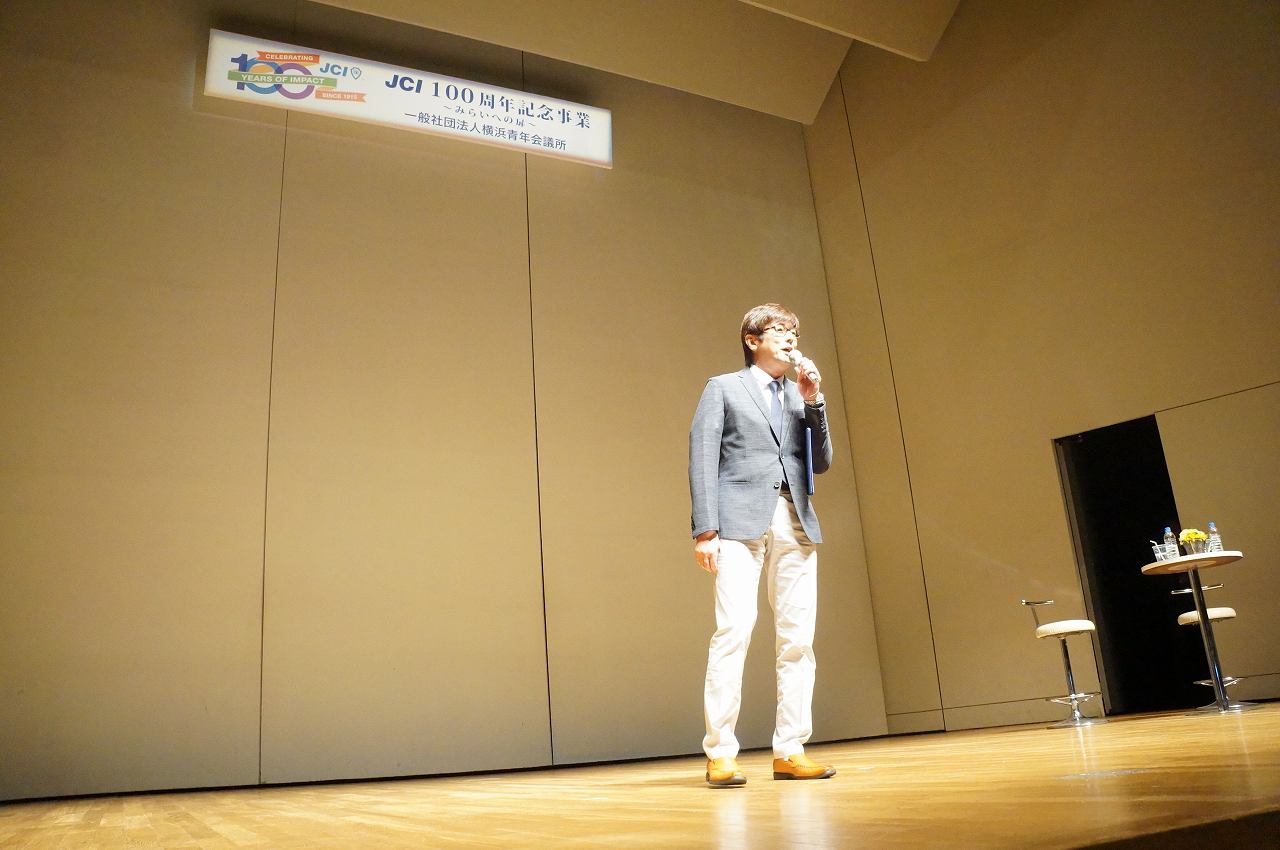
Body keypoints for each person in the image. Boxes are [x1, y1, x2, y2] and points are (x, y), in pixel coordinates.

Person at [689, 303, 835, 787]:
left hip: (795, 519)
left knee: (798, 639)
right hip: (736, 522)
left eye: (794, 332)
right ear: (752, 340)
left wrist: (814, 403)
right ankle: (720, 753)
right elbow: (702, 458)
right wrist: (705, 530)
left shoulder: (799, 393)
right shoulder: (723, 387)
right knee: (733, 631)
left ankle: (790, 750)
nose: (791, 339)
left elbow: (821, 462)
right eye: (779, 331)